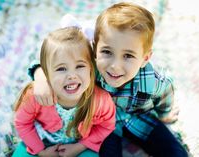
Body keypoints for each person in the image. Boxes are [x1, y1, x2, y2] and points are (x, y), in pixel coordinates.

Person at [28, 2, 188, 157]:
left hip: (137, 119)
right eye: (107, 52)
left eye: (128, 56)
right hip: (100, 125)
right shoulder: (87, 62)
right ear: (95, 47)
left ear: (145, 58)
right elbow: (52, 54)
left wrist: (164, 114)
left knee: (176, 153)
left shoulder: (154, 83)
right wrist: (40, 74)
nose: (115, 66)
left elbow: (165, 98)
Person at [13, 27, 116, 157]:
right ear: (46, 72)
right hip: (40, 141)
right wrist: (40, 151)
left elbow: (106, 126)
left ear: (91, 67)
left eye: (80, 66)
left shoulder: (101, 100)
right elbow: (22, 123)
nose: (71, 76)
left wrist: (80, 146)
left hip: (79, 145)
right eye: (61, 69)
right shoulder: (35, 96)